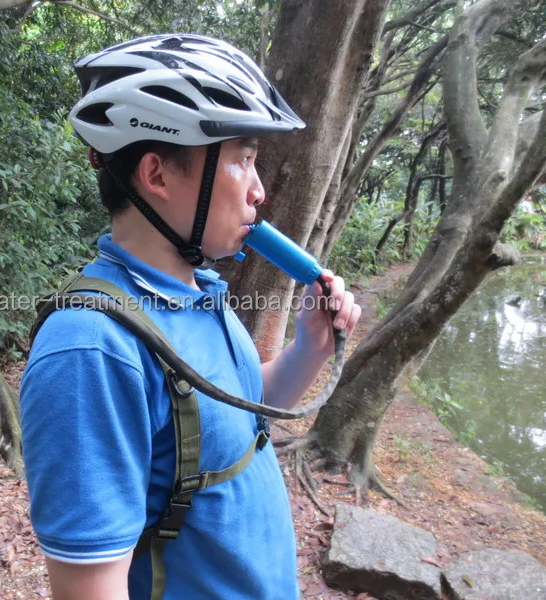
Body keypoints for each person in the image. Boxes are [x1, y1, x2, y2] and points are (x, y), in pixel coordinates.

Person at [19, 34, 361, 600]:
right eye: (243, 160)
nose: (259, 191)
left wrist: (311, 349)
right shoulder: (93, 349)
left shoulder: (200, 290)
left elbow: (235, 418)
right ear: (157, 175)